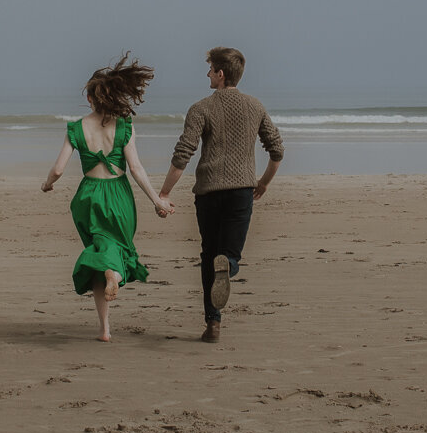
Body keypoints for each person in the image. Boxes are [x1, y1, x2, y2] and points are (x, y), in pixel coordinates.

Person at [42, 55, 173, 342]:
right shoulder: (125, 126)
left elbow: (58, 169)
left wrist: (47, 184)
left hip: (89, 196)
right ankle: (114, 273)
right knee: (112, 248)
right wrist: (156, 200)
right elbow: (136, 168)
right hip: (119, 195)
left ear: (89, 98)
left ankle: (104, 328)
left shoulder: (76, 128)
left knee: (100, 252)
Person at [158, 46, 284, 343]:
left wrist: (163, 193)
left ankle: (213, 325)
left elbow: (182, 156)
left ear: (221, 74)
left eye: (210, 69)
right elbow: (277, 150)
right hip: (241, 191)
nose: (207, 74)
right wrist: (263, 182)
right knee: (229, 256)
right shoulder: (255, 106)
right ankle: (231, 265)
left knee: (208, 255)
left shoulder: (200, 108)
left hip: (208, 194)